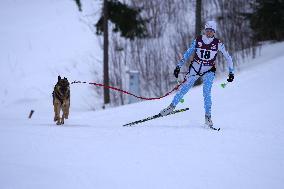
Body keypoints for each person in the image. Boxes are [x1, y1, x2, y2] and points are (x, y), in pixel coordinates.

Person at [160, 20, 234, 127]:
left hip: (209, 70)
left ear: (214, 32)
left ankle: (208, 117)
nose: (208, 33)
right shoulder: (198, 40)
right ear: (204, 30)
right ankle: (171, 107)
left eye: (211, 31)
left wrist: (231, 72)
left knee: (206, 92)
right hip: (195, 68)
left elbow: (228, 57)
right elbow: (187, 53)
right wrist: (178, 67)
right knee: (184, 88)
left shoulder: (218, 43)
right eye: (207, 30)